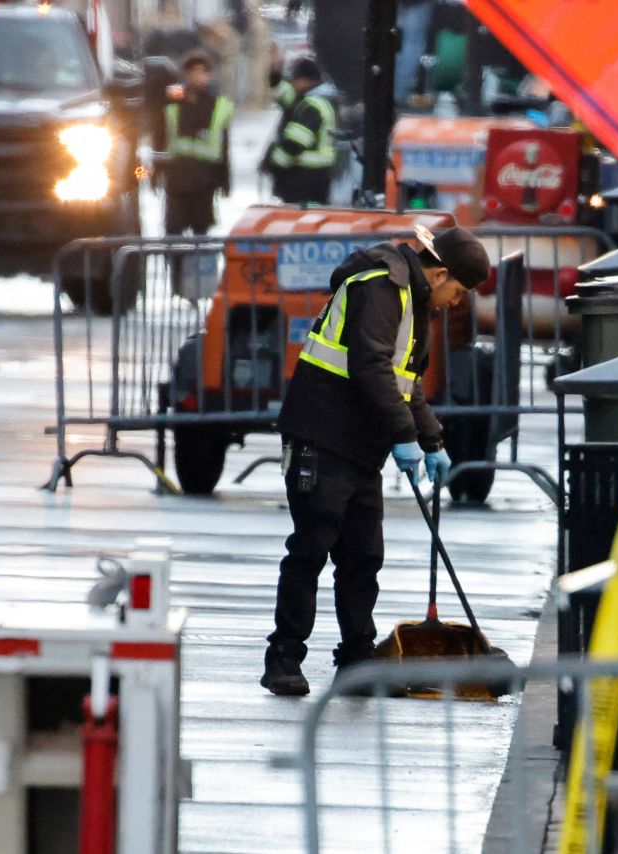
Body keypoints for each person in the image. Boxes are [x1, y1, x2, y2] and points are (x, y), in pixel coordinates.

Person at [261, 225, 492, 696]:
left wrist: (432, 440)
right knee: (312, 546)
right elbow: (370, 365)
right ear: (441, 272)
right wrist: (405, 437)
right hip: (320, 434)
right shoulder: (380, 287)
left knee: (363, 557)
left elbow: (406, 383)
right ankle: (283, 658)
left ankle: (358, 662)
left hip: (361, 448)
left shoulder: (415, 304)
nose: (457, 303)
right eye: (459, 292)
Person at [155, 51, 233, 236]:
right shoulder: (173, 104)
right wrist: (151, 174)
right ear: (186, 75)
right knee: (173, 229)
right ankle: (175, 265)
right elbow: (158, 141)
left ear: (209, 75)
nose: (198, 77)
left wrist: (226, 181)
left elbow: (224, 147)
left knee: (201, 230)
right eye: (193, 72)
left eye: (203, 72)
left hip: (205, 180)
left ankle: (198, 265)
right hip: (177, 179)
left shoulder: (220, 106)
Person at [261, 56, 337, 205]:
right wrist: (274, 73)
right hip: (316, 178)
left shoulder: (311, 106)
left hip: (304, 180)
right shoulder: (318, 98)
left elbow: (295, 143)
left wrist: (273, 163)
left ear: (304, 80)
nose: (292, 84)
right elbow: (281, 92)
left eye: (294, 80)